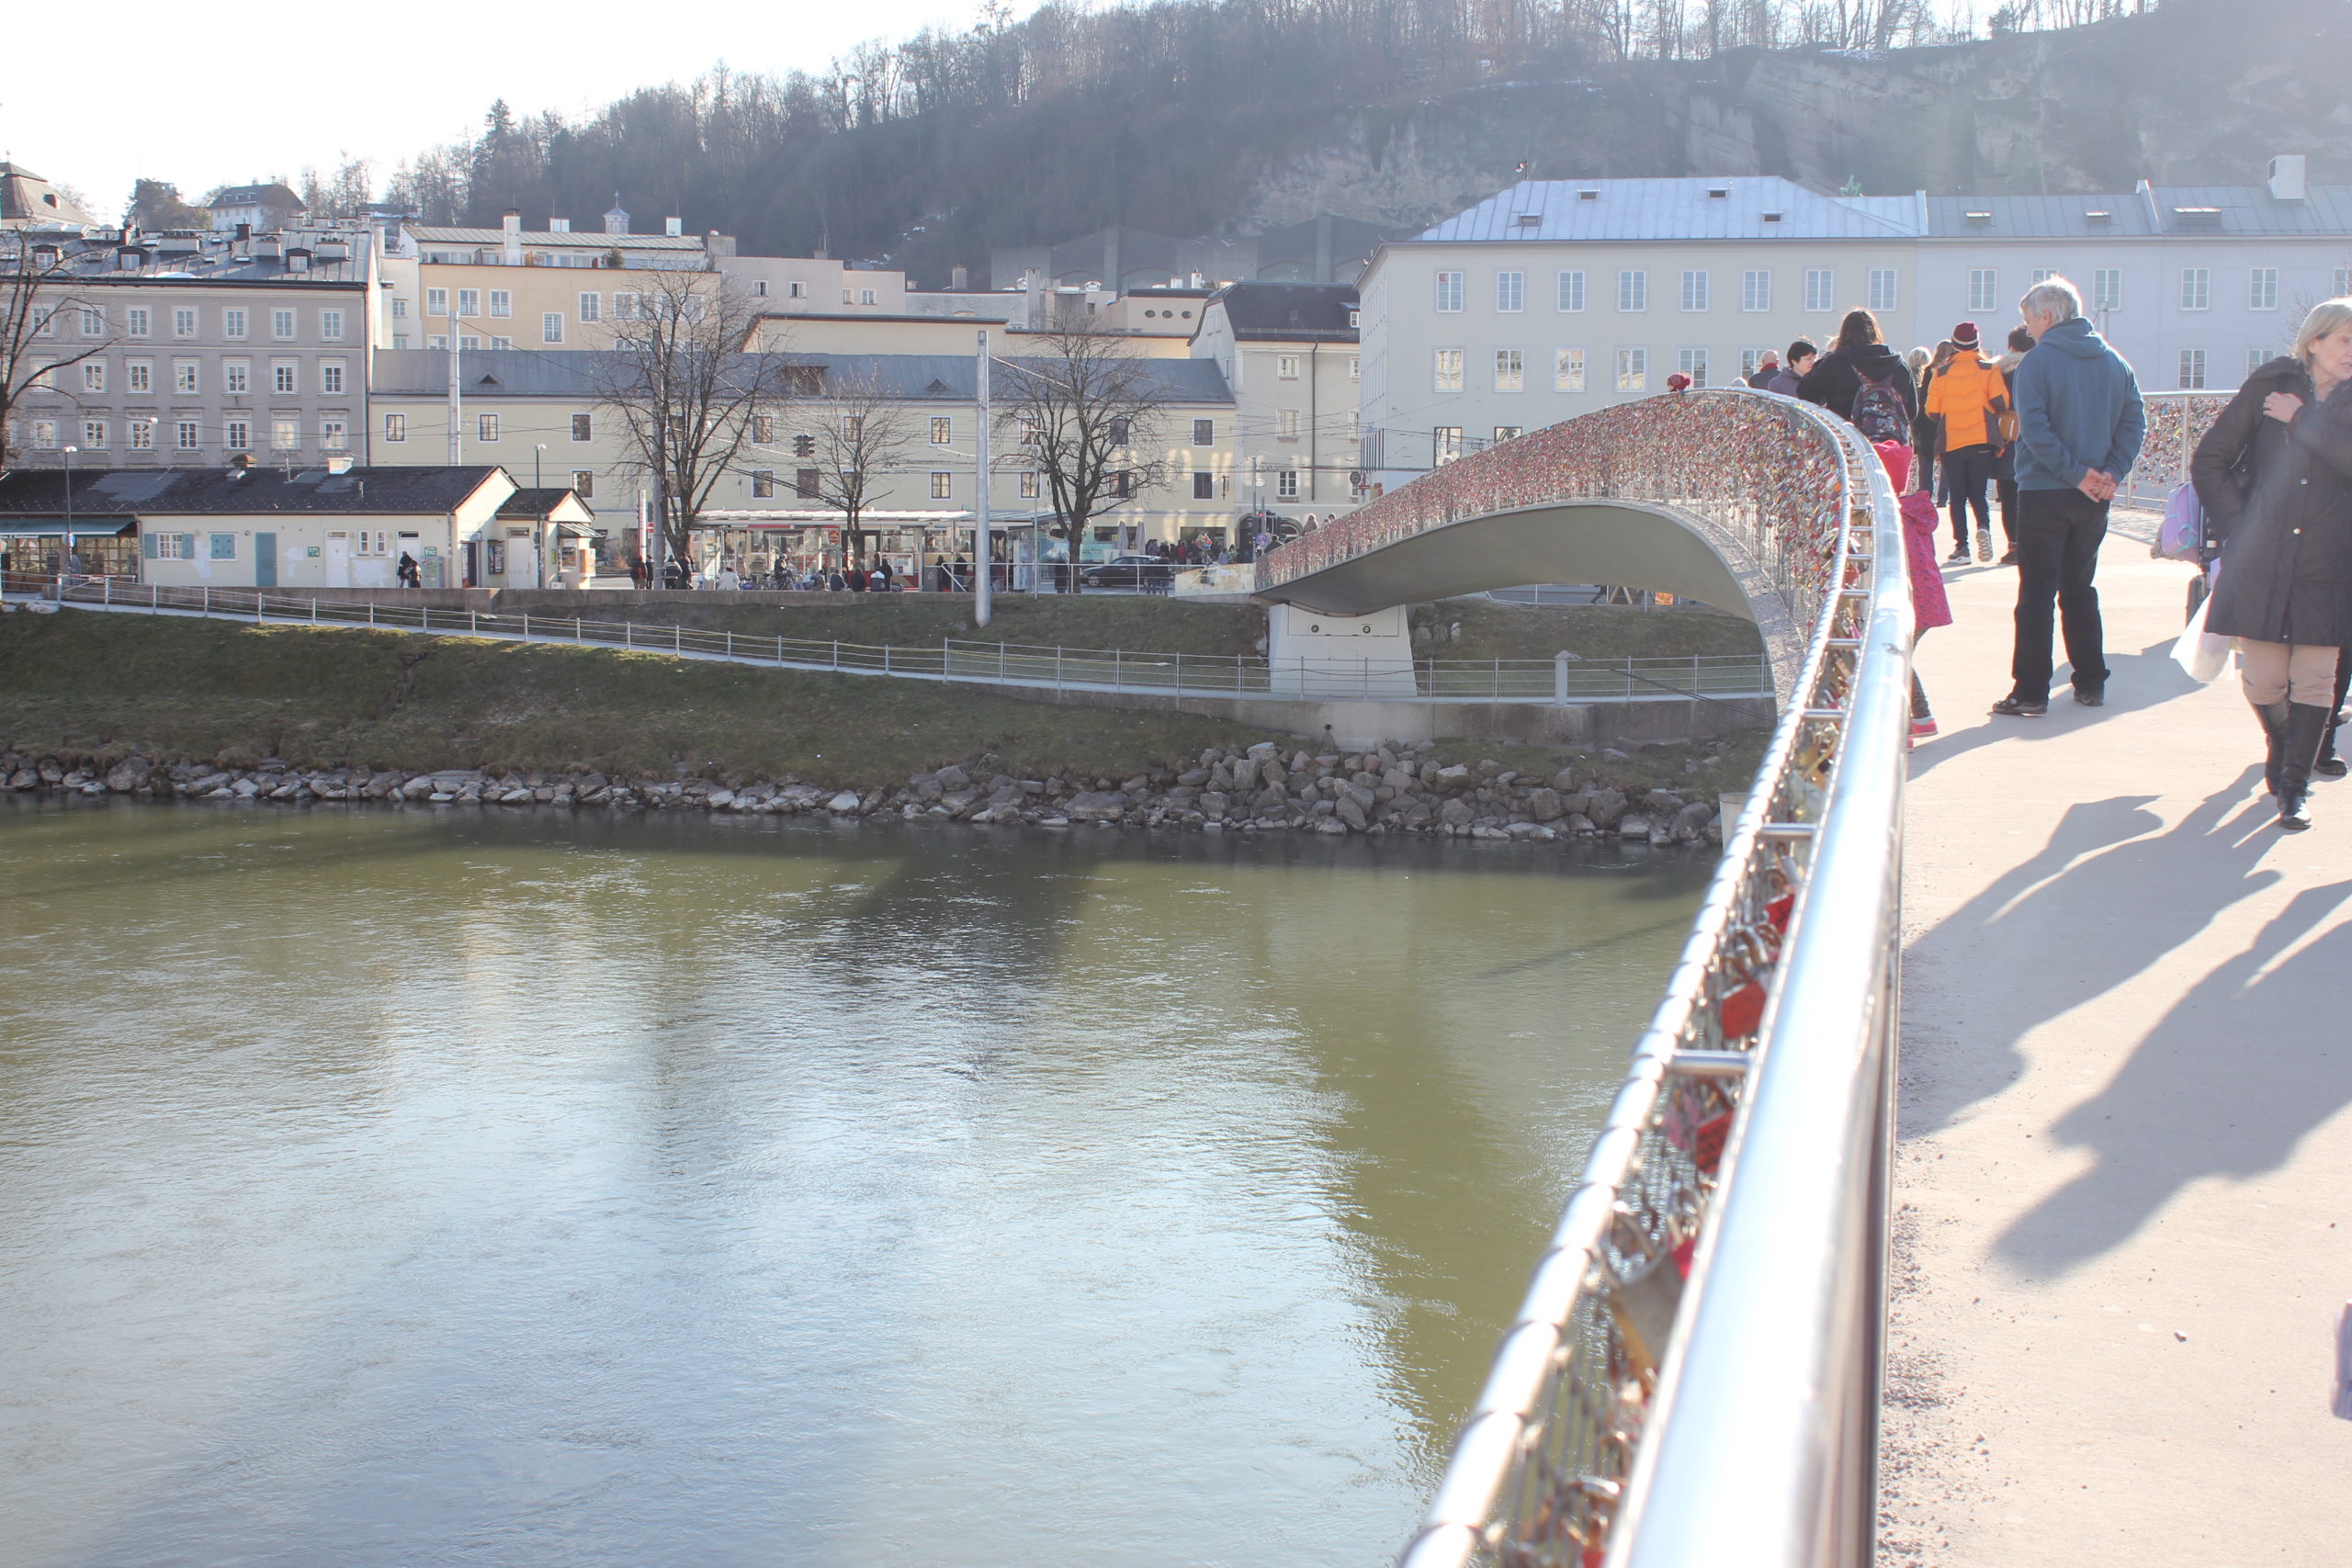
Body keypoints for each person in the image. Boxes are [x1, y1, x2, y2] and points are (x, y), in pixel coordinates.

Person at [2189, 298, 2352, 830]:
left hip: (2331, 560)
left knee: (2314, 681)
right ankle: (2284, 750)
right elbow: (2210, 458)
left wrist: (2303, 419)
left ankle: (2294, 787)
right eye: (2345, 340)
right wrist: (2241, 526)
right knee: (2262, 682)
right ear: (2315, 342)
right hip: (2262, 559)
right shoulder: (2272, 384)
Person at [1992, 276, 2144, 718]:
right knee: (2080, 588)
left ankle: (2032, 690)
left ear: (2047, 316)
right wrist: (2111, 473)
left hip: (2044, 491)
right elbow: (2135, 423)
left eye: (2028, 320)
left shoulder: (2037, 363)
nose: (2028, 330)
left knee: (2036, 592)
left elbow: (2035, 431)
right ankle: (2091, 681)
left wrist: (2076, 474)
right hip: (2094, 497)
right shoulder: (2116, 362)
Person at [1925, 321, 2010, 565]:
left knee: (1957, 497)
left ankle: (1962, 548)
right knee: (1978, 493)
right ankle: (1983, 527)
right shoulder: (1988, 370)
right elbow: (2001, 402)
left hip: (1952, 442)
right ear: (1976, 345)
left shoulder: (1940, 373)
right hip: (1981, 440)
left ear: (1953, 345)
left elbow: (1932, 411)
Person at [1798, 309, 1919, 454]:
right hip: (1891, 450)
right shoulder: (1898, 365)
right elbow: (1912, 411)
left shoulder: (1836, 362)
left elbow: (1805, 392)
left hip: (1848, 447)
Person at [1990, 325, 2034, 565]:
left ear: (2011, 346)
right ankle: (2032, 545)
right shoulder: (2041, 367)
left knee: (2008, 494)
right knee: (2034, 494)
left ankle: (2014, 545)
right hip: (2035, 438)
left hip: (2006, 437)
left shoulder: (2000, 371)